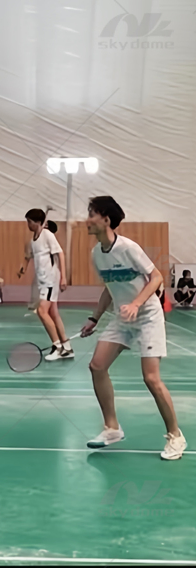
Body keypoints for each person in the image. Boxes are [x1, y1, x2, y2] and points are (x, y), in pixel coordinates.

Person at [80, 195, 186, 460]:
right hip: (123, 317)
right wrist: (94, 318)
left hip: (147, 314)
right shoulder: (96, 254)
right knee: (97, 365)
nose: (87, 219)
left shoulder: (128, 247)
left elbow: (157, 277)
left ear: (106, 219)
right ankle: (112, 427)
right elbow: (110, 288)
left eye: (92, 214)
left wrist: (137, 304)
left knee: (151, 378)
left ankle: (175, 435)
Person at [18, 209, 73, 361]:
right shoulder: (33, 240)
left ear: (36, 222)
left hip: (50, 280)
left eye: (29, 221)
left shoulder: (48, 235)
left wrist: (63, 277)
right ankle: (67, 347)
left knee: (42, 311)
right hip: (43, 281)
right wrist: (24, 267)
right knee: (53, 313)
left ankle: (58, 347)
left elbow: (60, 253)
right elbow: (29, 256)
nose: (27, 224)